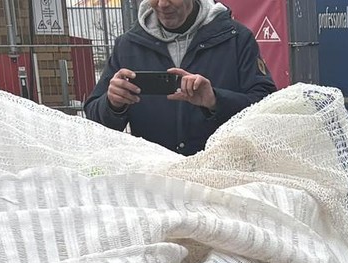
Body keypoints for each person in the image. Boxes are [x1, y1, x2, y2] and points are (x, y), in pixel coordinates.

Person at [84, 0, 276, 155]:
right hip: (156, 178)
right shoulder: (128, 45)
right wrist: (113, 104)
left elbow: (268, 107)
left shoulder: (236, 38)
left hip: (222, 177)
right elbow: (94, 120)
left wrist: (215, 100)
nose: (162, 4)